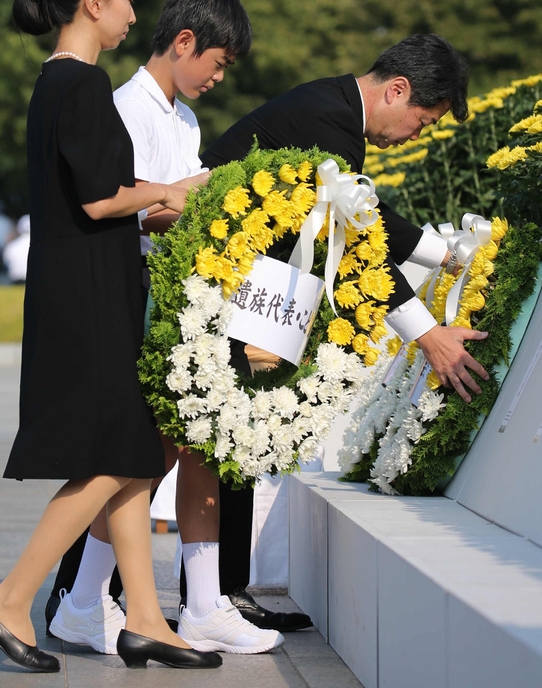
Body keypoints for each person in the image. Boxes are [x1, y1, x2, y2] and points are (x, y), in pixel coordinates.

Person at [0, 0, 222, 672]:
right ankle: (11, 599)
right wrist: (174, 191)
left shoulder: (60, 84)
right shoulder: (81, 83)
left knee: (134, 454)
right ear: (93, 3)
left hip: (83, 284)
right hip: (89, 293)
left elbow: (97, 185)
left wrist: (155, 190)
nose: (136, 13)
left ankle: (144, 618)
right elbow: (100, 198)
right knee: (114, 458)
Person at [200, 33, 491, 609]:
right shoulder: (331, 122)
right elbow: (359, 243)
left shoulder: (334, 110)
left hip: (245, 286)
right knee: (199, 447)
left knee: (228, 444)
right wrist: (429, 335)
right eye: (423, 122)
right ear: (398, 90)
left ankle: (219, 595)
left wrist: (452, 256)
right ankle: (124, 596)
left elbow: (365, 219)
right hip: (215, 285)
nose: (416, 134)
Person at [46, 0, 287, 655]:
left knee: (192, 445)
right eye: (217, 61)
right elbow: (133, 206)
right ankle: (87, 600)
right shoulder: (128, 109)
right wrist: (212, 204)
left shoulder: (182, 118)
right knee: (144, 455)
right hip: (141, 299)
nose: (217, 77)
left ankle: (194, 603)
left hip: (182, 301)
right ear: (184, 42)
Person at [2, 215, 30, 284]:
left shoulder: (12, 246)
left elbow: (6, 263)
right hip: (35, 281)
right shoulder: (41, 246)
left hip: (16, 281)